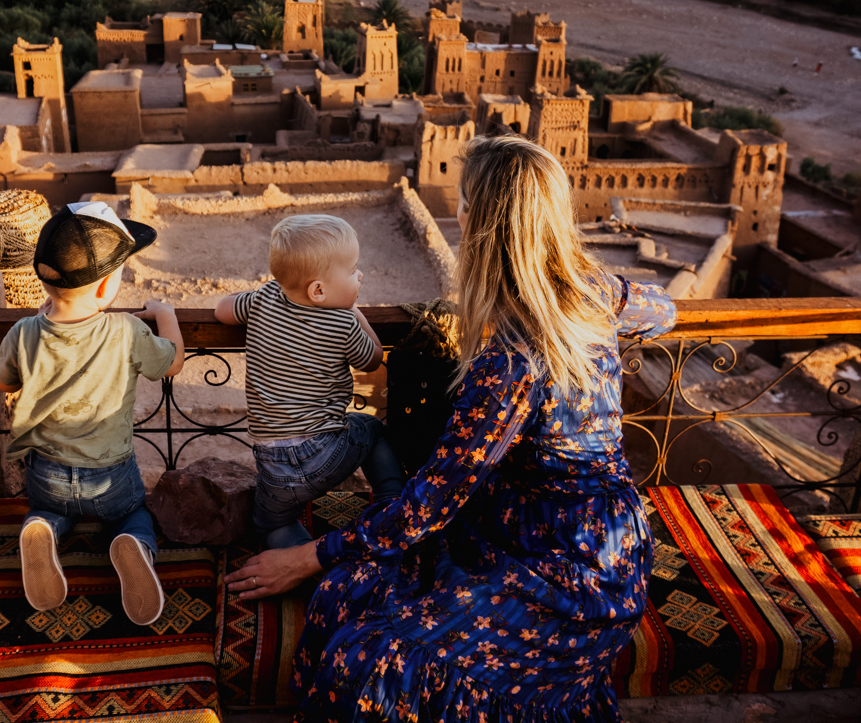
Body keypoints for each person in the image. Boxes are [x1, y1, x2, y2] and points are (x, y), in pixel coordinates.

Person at [226, 135, 677, 722]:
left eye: (462, 201)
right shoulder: (592, 294)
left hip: (566, 568)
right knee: (346, 594)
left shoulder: (513, 360)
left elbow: (432, 501)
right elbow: (665, 308)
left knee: (374, 662)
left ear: (475, 218)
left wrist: (312, 554)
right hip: (532, 529)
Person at [0, 201, 184, 625]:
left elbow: (5, 383)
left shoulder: (22, 332)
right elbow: (172, 364)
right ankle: (133, 544)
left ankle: (42, 530)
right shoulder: (125, 331)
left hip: (46, 474)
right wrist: (165, 316)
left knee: (50, 510)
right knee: (134, 513)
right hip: (111, 478)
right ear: (103, 289)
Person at [214, 214, 405, 549]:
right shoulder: (343, 324)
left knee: (270, 526)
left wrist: (258, 296)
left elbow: (222, 311)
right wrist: (356, 311)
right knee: (372, 429)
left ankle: (301, 556)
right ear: (318, 290)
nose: (359, 276)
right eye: (352, 271)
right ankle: (392, 506)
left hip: (272, 467)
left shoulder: (264, 298)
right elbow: (373, 357)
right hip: (326, 455)